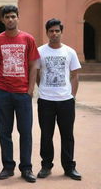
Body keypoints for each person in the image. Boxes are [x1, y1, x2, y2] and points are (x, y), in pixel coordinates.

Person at [0, 5, 39, 183]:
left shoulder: (28, 39)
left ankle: (26, 168)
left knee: (25, 132)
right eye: (7, 17)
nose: (10, 19)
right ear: (2, 20)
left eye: (13, 16)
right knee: (4, 132)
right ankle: (8, 167)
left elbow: (33, 65)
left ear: (18, 18)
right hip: (3, 93)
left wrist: (30, 90)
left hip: (22, 93)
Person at [36, 18, 82, 180]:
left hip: (66, 101)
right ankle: (46, 166)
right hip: (45, 100)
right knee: (46, 135)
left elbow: (75, 75)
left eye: (57, 31)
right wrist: (42, 88)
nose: (54, 33)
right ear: (47, 33)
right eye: (51, 31)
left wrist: (72, 96)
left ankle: (69, 167)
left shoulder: (69, 52)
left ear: (61, 32)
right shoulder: (40, 51)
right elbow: (36, 73)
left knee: (67, 135)